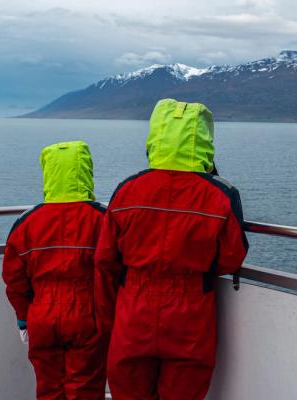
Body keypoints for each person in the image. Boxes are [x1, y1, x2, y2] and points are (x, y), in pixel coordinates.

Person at [95, 99, 249, 400]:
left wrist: (108, 320)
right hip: (190, 314)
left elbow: (105, 259)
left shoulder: (127, 189)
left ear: (155, 136)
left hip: (133, 312)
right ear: (204, 139)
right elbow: (232, 258)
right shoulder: (221, 193)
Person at [2, 141, 107, 400]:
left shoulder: (26, 223)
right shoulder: (102, 219)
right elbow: (114, 269)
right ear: (85, 171)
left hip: (42, 317)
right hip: (87, 315)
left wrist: (23, 317)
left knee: (48, 387)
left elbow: (14, 278)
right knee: (85, 387)